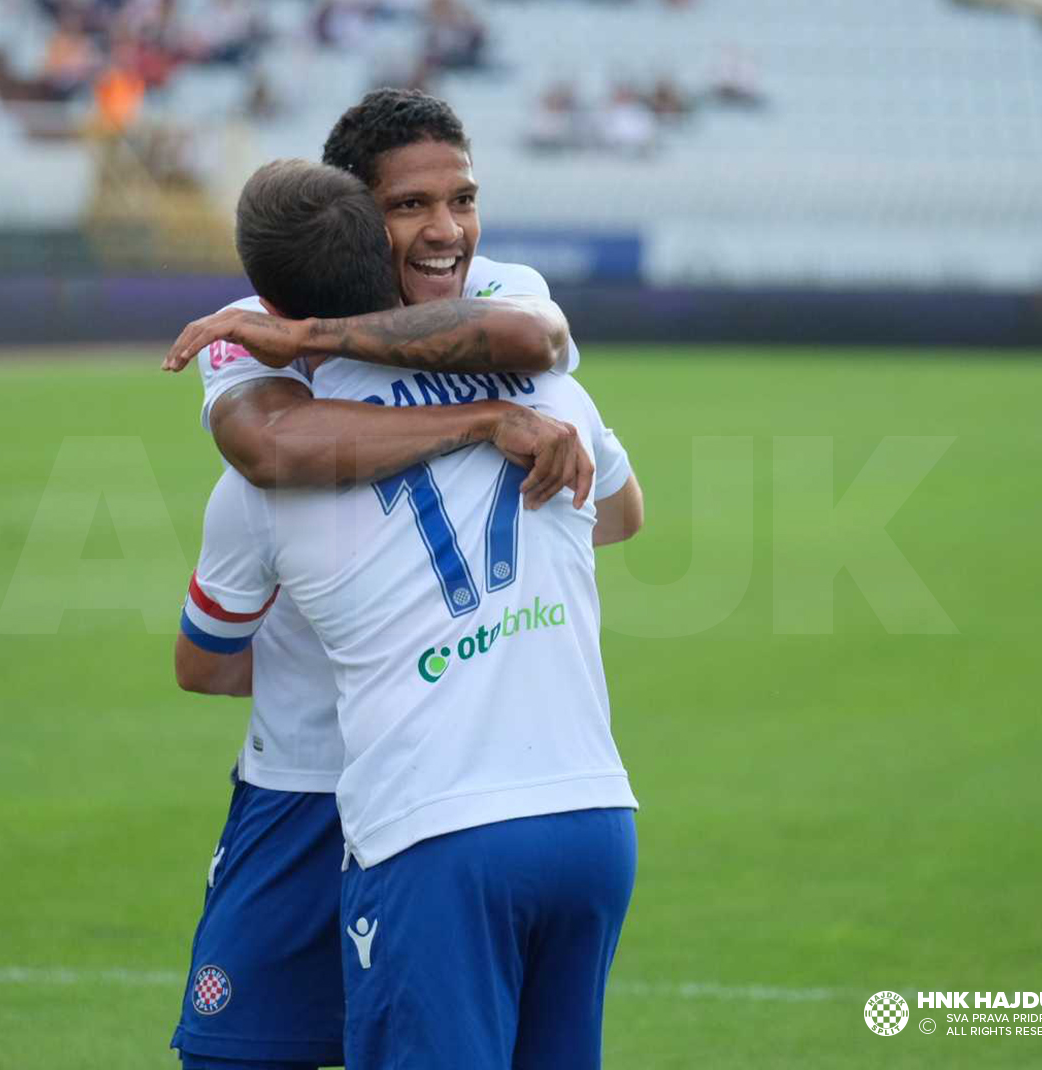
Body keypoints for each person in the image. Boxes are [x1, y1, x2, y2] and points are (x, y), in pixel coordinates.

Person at [162, 88, 643, 1070]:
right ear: (348, 216)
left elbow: (536, 343)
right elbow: (265, 439)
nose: (445, 229)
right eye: (410, 206)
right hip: (314, 773)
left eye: (461, 199)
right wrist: (478, 428)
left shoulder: (506, 305)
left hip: (431, 797)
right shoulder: (261, 329)